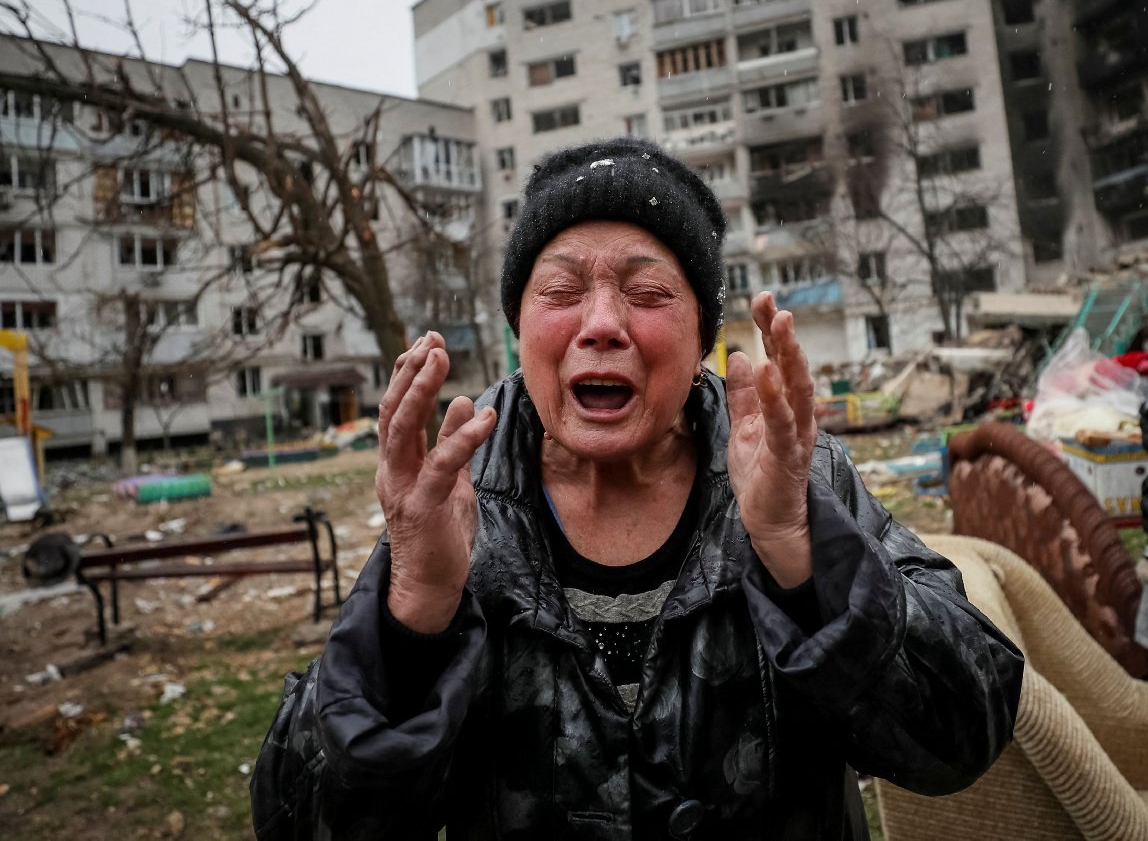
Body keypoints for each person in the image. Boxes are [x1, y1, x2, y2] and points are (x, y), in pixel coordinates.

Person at [250, 137, 1023, 840]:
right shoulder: (455, 499)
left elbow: (964, 733)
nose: (602, 323)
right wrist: (416, 604)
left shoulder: (792, 474)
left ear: (702, 336)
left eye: (648, 293)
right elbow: (303, 820)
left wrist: (799, 546)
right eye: (561, 291)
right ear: (519, 326)